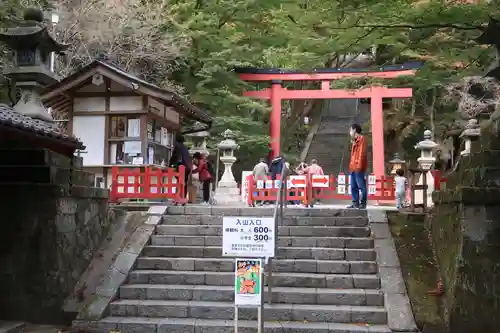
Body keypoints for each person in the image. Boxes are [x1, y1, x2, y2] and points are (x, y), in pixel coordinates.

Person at [348, 123, 368, 209]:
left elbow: (361, 153)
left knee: (361, 185)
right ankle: (355, 202)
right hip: (353, 166)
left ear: (354, 130)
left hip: (358, 166)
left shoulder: (362, 139)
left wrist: (359, 165)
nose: (350, 132)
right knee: (353, 186)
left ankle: (363, 203)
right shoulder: (355, 140)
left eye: (350, 129)